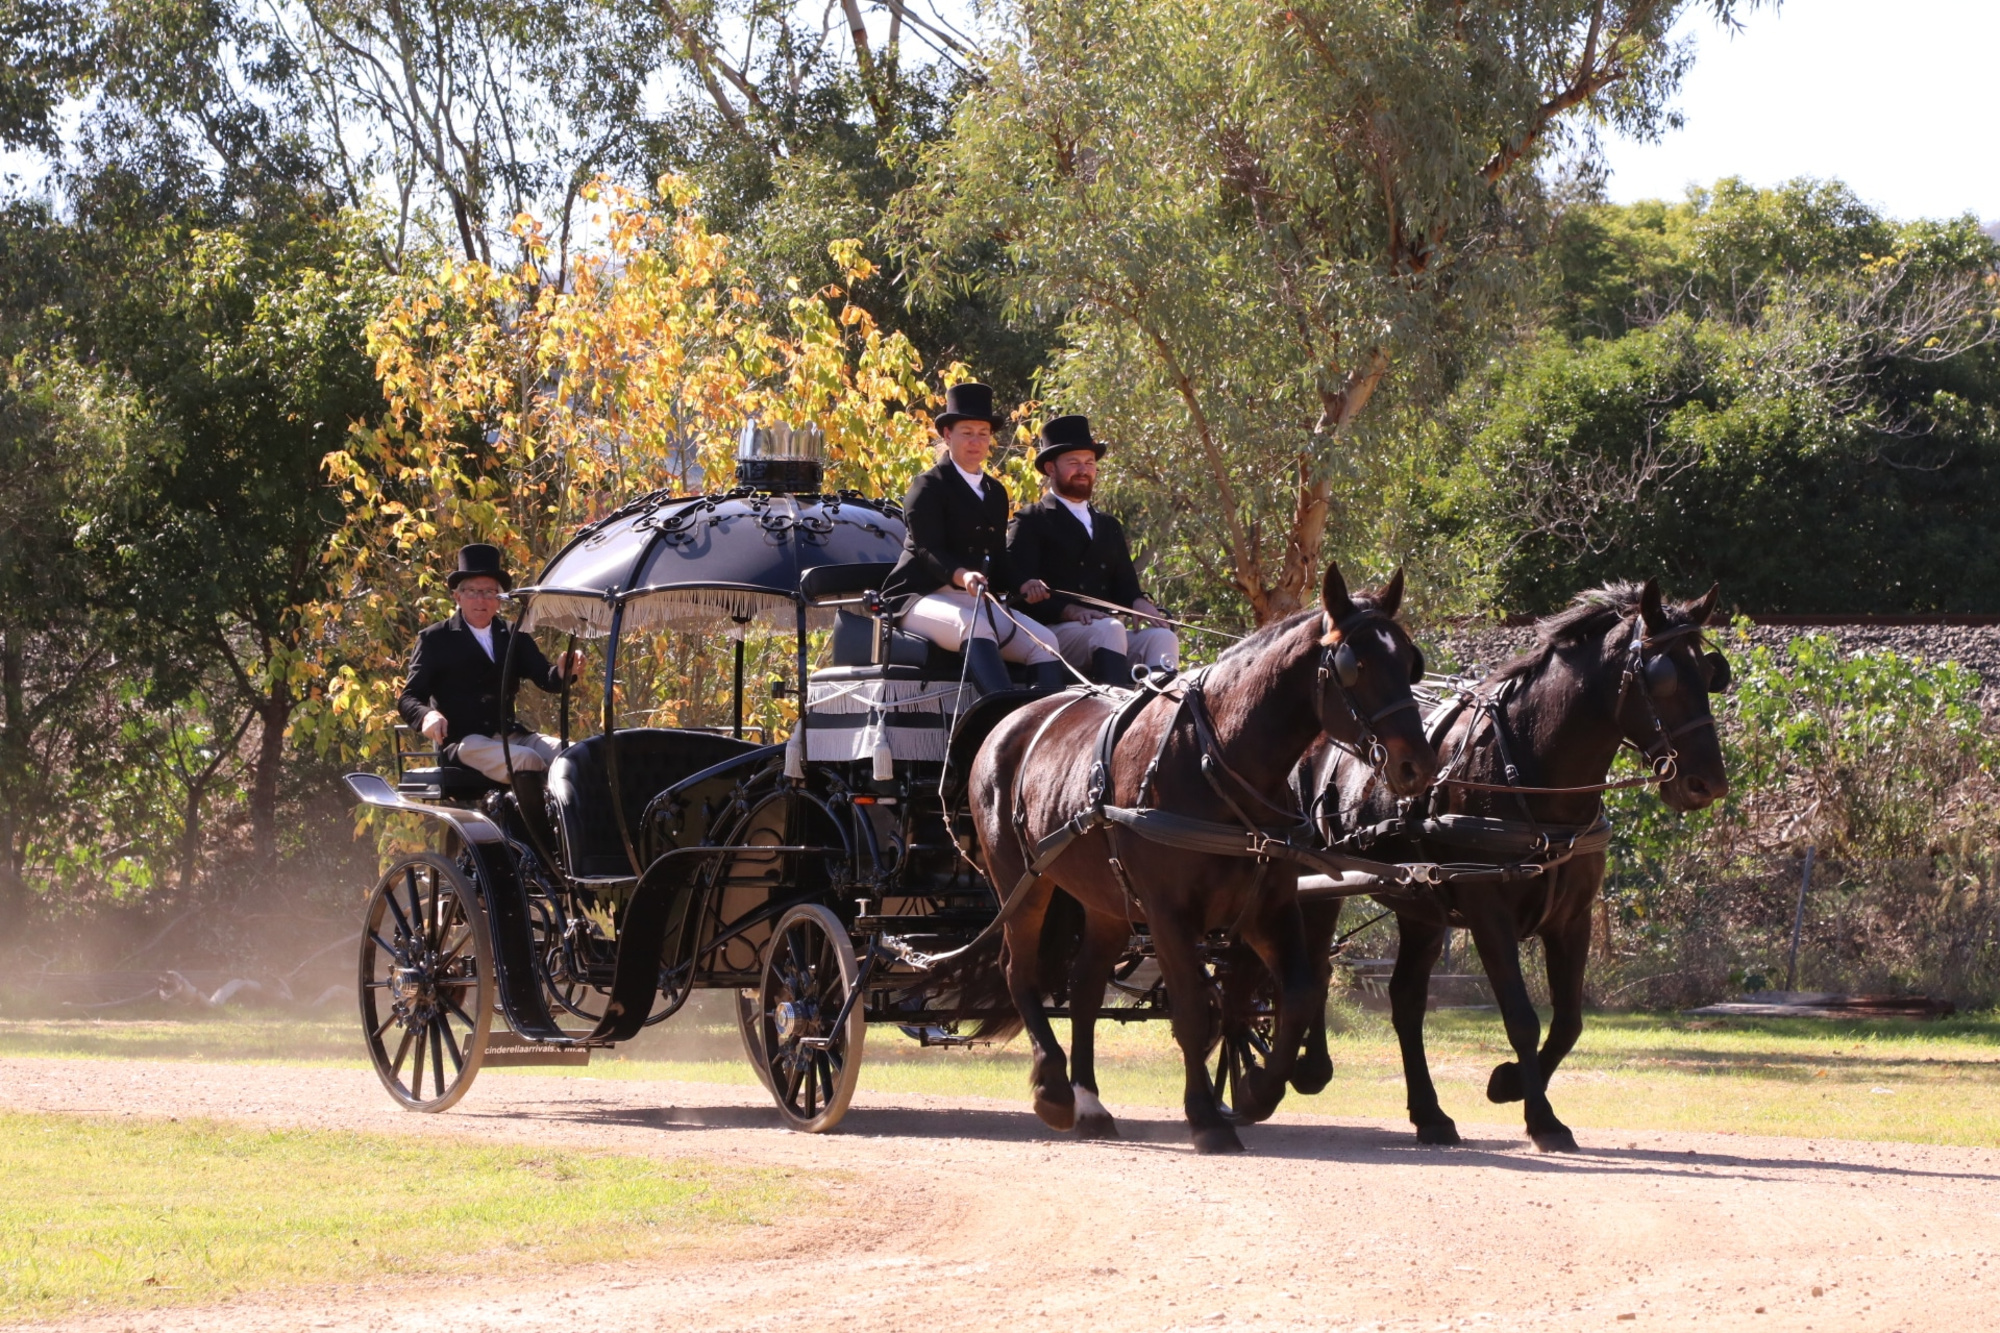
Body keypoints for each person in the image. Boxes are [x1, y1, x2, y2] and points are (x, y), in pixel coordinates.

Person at [879, 382, 1067, 695]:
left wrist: (1023, 582)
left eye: (983, 433)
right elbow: (927, 549)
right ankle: (998, 720)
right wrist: (962, 574)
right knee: (975, 626)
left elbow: (999, 556)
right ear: (947, 435)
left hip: (973, 600)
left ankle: (1041, 730)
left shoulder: (995, 492)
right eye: (967, 432)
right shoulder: (926, 486)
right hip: (918, 598)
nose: (976, 441)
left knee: (1045, 642)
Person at [1010, 415, 1179, 686]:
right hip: (1051, 636)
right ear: (1051, 468)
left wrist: (1140, 604)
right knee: (1109, 629)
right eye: (1074, 463)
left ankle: (1163, 721)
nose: (1083, 470)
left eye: (1089, 463)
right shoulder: (1030, 521)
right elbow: (1016, 591)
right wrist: (1068, 611)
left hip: (1104, 633)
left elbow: (1126, 589)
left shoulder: (1108, 525)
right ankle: (1110, 715)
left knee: (1163, 636)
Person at [398, 543, 584, 783]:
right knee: (527, 760)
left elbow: (545, 677)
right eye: (472, 592)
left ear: (498, 599)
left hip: (511, 735)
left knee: (575, 755)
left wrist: (562, 671)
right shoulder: (435, 639)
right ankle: (541, 821)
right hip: (464, 741)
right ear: (458, 597)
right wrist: (427, 716)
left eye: (488, 592)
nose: (480, 600)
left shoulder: (513, 634)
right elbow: (408, 697)